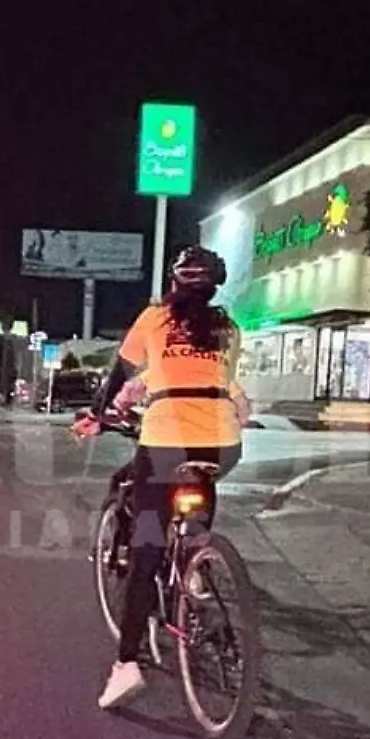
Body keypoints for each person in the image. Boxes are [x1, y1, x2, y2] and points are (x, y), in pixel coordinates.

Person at [74, 245, 244, 710]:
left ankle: (126, 664)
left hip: (166, 439)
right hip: (223, 444)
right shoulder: (230, 330)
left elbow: (121, 374)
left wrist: (96, 412)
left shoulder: (154, 320)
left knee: (147, 548)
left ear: (174, 283)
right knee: (198, 482)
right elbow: (213, 380)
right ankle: (196, 559)